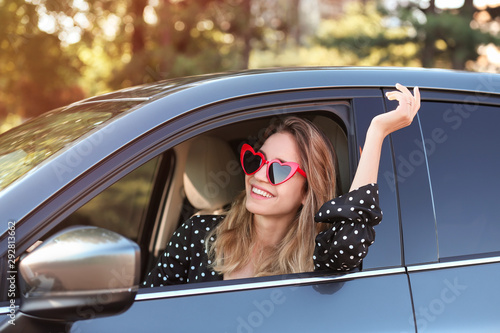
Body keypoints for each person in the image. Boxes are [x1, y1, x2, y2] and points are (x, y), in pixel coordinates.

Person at [143, 83, 420, 287]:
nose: (260, 175)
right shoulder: (197, 234)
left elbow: (351, 239)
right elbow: (148, 314)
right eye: (256, 160)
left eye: (279, 169)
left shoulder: (315, 254)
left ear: (306, 192)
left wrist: (377, 132)